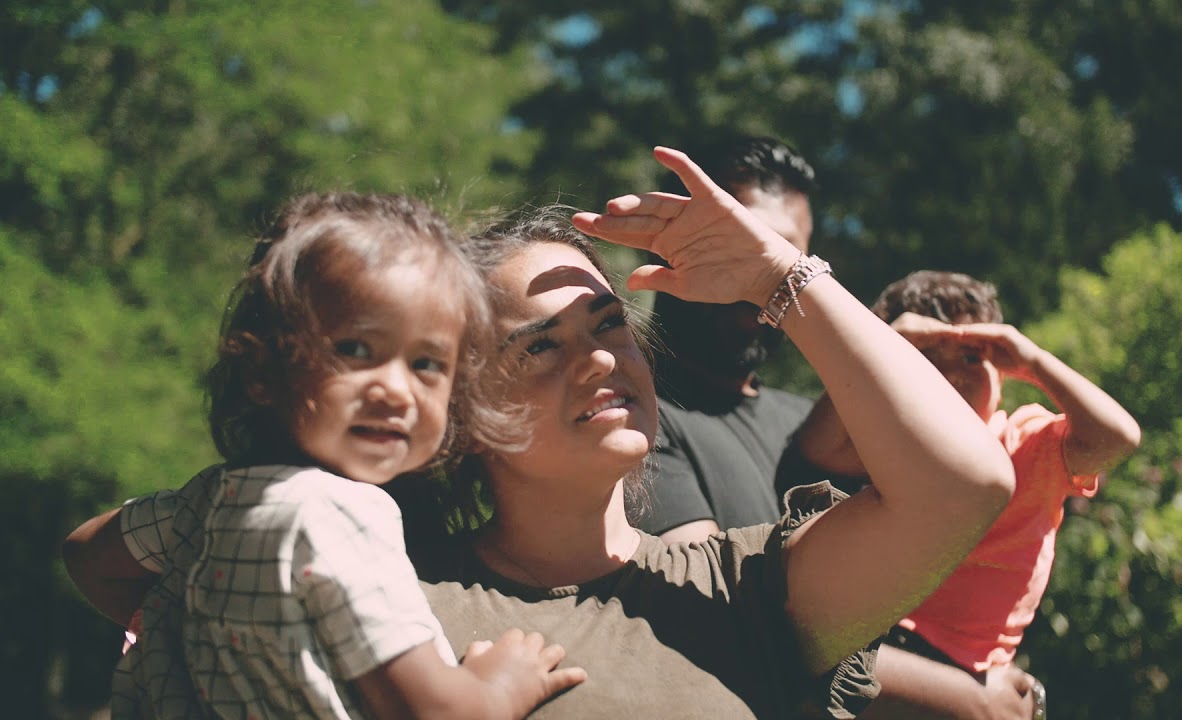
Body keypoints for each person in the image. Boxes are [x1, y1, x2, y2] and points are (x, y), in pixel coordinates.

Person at [403, 148, 1018, 717]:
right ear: (469, 412)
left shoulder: (745, 587)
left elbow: (968, 485)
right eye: (539, 346)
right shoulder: (398, 610)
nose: (597, 359)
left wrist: (779, 276)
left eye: (609, 323)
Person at [61, 193, 585, 719]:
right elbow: (439, 714)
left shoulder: (208, 499)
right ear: (265, 369)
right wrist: (501, 686)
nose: (396, 391)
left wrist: (178, 647)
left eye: (427, 363)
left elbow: (87, 555)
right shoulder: (341, 516)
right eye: (356, 350)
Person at [855, 270, 1142, 720]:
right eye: (929, 359)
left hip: (968, 670)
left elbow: (1117, 438)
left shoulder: (1026, 443)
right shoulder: (873, 445)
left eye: (971, 358)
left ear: (1004, 374)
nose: (952, 376)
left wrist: (1034, 360)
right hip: (872, 645)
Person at [640, 135, 834, 543]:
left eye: (785, 261)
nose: (759, 280)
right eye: (739, 249)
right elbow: (707, 600)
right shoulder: (629, 418)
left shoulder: (819, 426)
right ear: (666, 247)